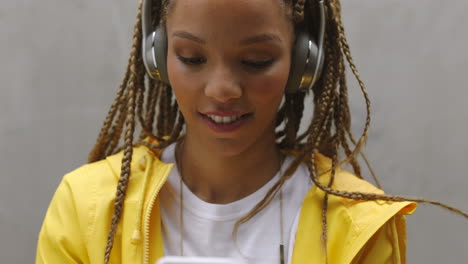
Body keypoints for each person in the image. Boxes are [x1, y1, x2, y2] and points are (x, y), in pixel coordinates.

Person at [35, 0, 466, 263]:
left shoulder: (358, 226)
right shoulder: (87, 209)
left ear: (304, 64)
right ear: (158, 54)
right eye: (191, 57)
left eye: (256, 61)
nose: (222, 89)